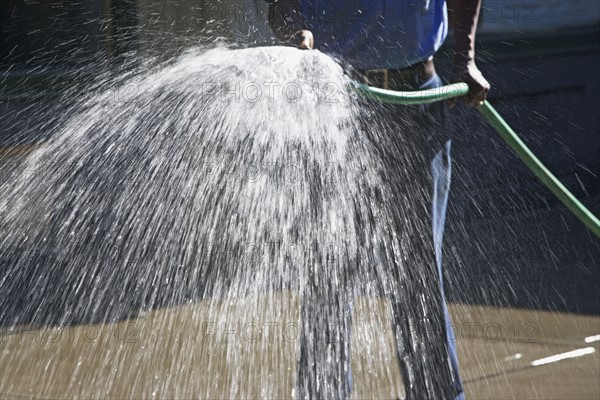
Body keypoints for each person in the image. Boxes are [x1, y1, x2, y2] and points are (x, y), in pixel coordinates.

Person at [267, 1, 490, 399]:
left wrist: (465, 56)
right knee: (329, 272)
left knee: (419, 271)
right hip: (336, 103)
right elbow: (280, 6)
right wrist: (293, 33)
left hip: (418, 100)